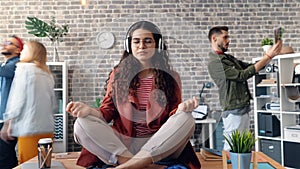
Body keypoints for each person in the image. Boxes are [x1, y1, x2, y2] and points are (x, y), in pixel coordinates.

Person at [66, 21, 201, 169]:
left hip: (160, 145)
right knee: (81, 123)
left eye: (148, 41)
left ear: (158, 45)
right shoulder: (118, 75)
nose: (141, 46)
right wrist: (89, 111)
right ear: (128, 46)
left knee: (186, 119)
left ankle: (129, 166)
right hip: (125, 145)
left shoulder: (171, 77)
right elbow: (107, 111)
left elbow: (173, 117)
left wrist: (181, 109)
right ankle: (141, 166)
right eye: (136, 41)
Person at [207, 26, 282, 151]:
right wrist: (267, 57)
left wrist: (269, 56)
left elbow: (250, 67)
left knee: (242, 147)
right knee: (231, 145)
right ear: (214, 39)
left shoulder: (228, 58)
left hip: (242, 106)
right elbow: (242, 75)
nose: (228, 40)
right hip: (233, 109)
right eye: (225, 37)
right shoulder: (215, 63)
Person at [1, 40, 56, 163]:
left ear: (32, 52)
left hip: (29, 129)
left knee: (28, 164)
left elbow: (17, 99)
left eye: (24, 49)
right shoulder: (47, 74)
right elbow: (53, 104)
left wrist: (7, 123)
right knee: (44, 163)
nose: (21, 52)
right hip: (47, 129)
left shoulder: (24, 69)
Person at [0, 35, 23, 169]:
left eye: (9, 43)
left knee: (4, 158)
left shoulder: (17, 64)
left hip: (10, 119)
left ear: (18, 49)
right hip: (3, 118)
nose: (4, 45)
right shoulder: (5, 65)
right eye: (4, 42)